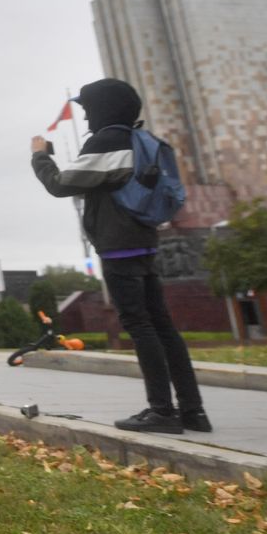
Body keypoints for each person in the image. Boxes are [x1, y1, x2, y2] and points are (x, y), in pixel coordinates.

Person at [31, 77, 210, 434]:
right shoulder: (139, 139)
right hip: (144, 240)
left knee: (140, 325)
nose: (85, 119)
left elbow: (61, 184)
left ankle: (161, 410)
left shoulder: (109, 140)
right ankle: (193, 411)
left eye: (88, 110)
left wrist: (40, 156)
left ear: (103, 108)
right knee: (163, 326)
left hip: (120, 244)